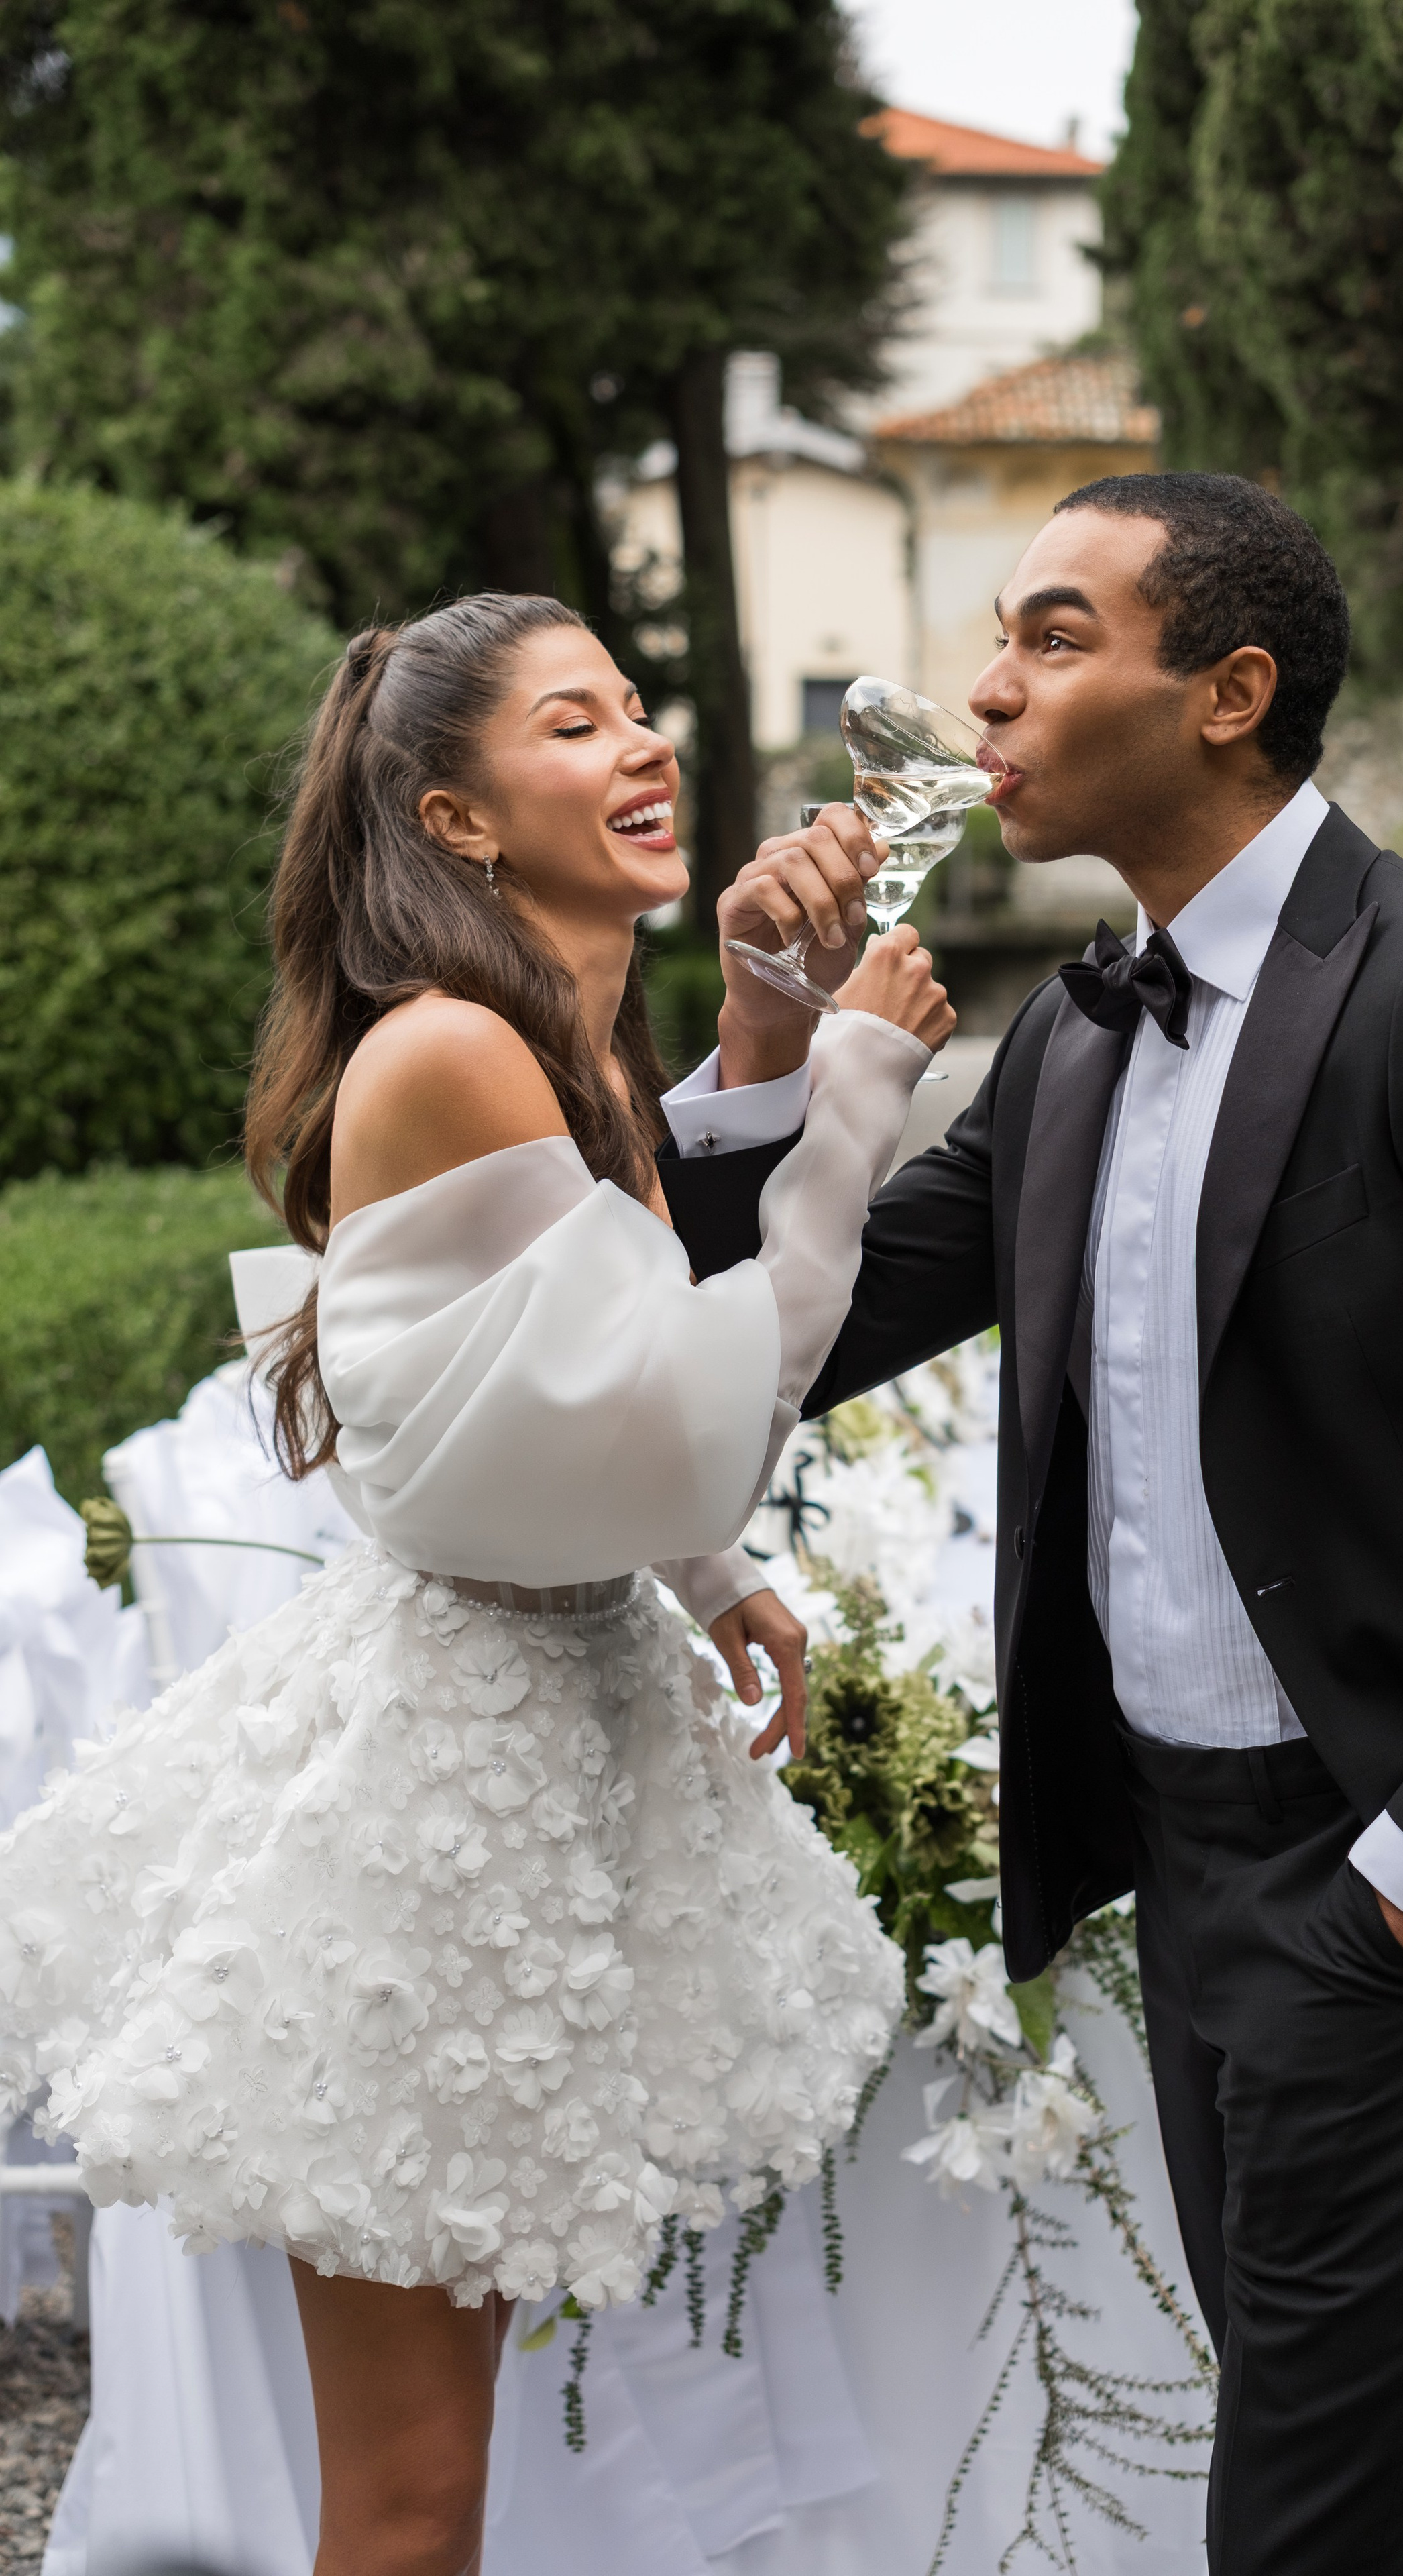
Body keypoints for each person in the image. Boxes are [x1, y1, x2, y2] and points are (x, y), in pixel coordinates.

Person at [658, 474, 1403, 2575]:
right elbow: (784, 1334)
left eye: (1056, 638)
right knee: (1381, 2490)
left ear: (1231, 691)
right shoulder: (1071, 1037)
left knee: (1301, 2526)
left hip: (1385, 1891)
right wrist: (768, 1044)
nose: (984, 689)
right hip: (1183, 1873)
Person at [0, 591, 953, 2576]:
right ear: (455, 821)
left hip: (541, 1744)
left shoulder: (558, 1045)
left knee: (453, 2482)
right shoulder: (451, 1052)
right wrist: (855, 1091)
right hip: (430, 1827)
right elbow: (701, 1406)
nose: (643, 748)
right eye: (575, 725)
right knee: (415, 2504)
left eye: (638, 709)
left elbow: (565, 1389)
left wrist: (704, 1575)